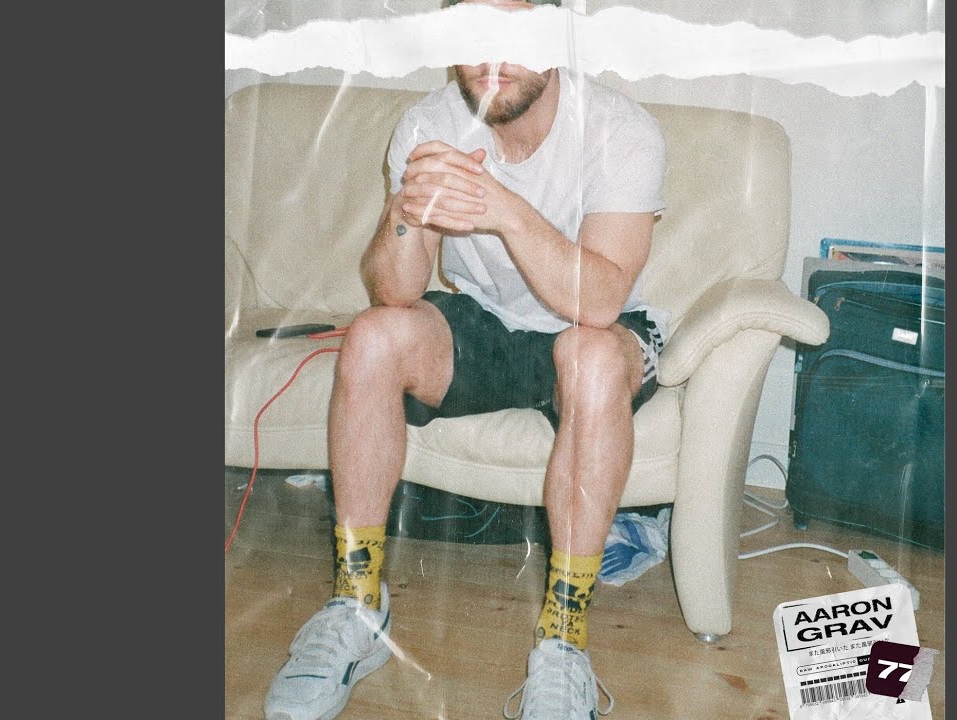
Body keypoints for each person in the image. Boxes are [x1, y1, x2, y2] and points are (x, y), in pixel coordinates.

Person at [264, 1, 668, 718]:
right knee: (373, 335)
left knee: (590, 356)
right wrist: (407, 213)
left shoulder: (621, 130)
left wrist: (503, 208)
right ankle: (357, 606)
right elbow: (394, 292)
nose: (492, 57)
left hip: (591, 327)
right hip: (484, 322)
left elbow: (601, 300)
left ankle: (563, 639)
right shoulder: (428, 125)